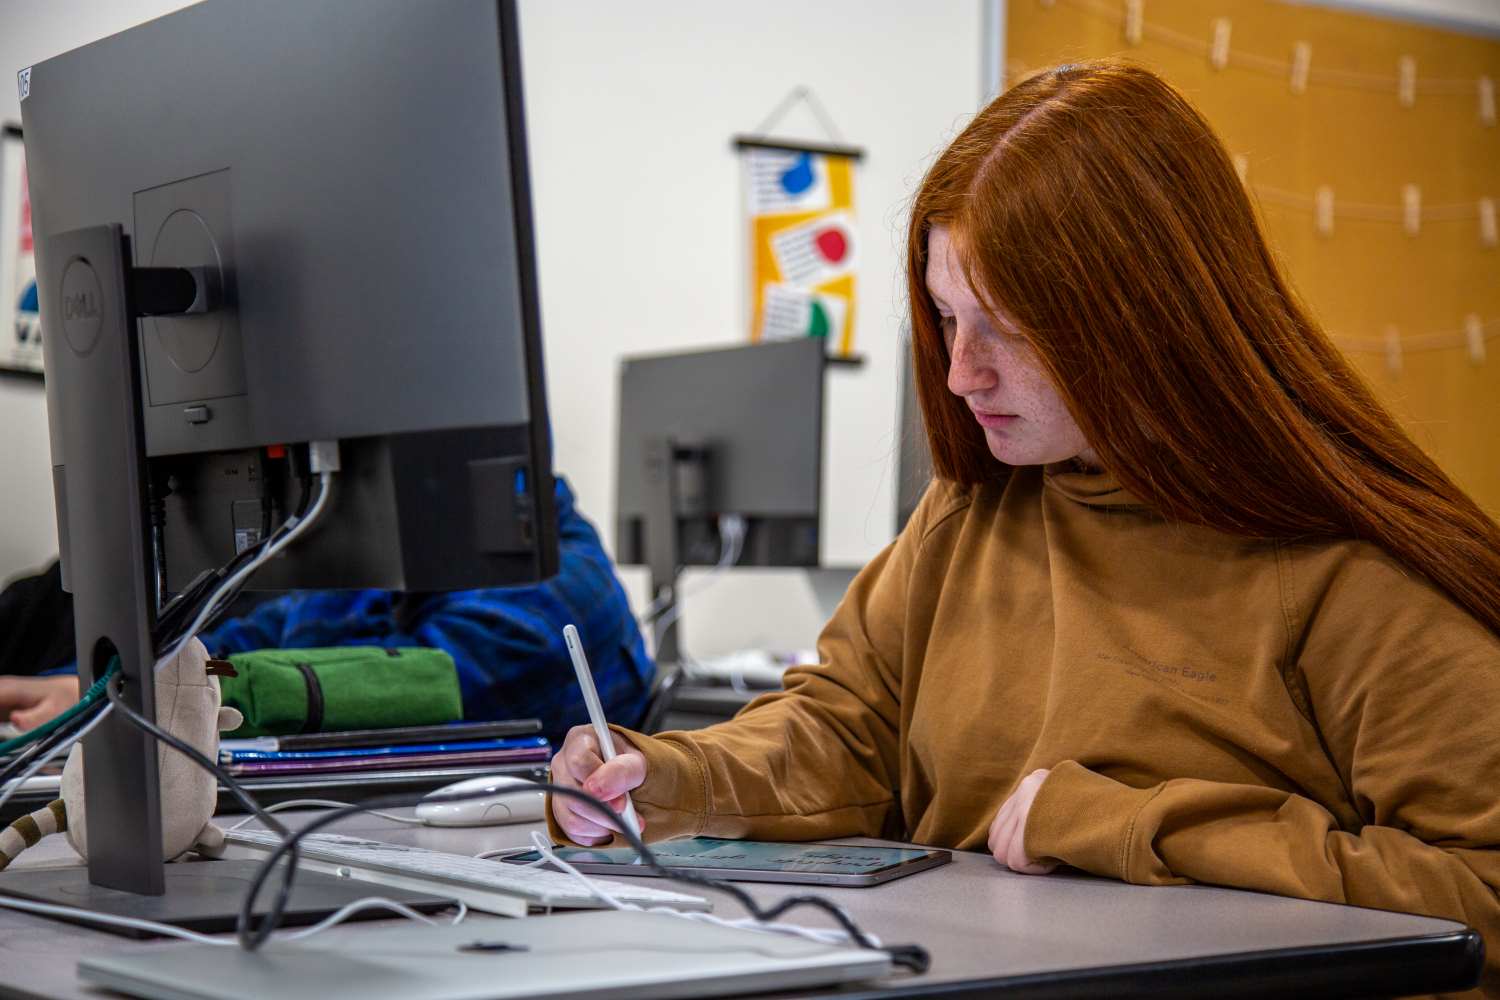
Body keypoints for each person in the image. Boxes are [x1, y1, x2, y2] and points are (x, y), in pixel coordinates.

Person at [549, 61, 1500, 993]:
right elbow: (844, 735)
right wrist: (661, 776)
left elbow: (1481, 892)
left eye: (1006, 326)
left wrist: (1130, 826)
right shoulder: (973, 510)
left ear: (1146, 321)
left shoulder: (1348, 570)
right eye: (947, 316)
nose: (963, 374)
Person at [0, 476, 654, 745]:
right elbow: (260, 637)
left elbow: (369, 689)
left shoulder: (555, 590)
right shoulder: (424, 560)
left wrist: (129, 698)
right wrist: (81, 686)